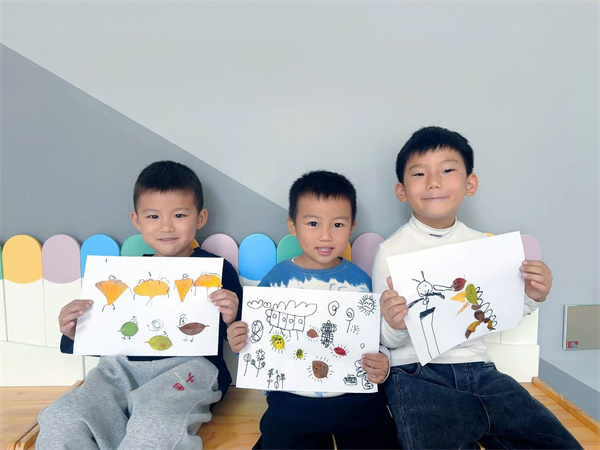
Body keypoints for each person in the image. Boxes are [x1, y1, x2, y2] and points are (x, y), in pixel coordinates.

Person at [373, 126, 582, 449]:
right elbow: (386, 340)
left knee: (558, 443)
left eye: (447, 170)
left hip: (481, 371)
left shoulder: (483, 246)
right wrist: (394, 322)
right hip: (417, 375)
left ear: (470, 183)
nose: (433, 182)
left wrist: (532, 296)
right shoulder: (390, 252)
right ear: (401, 190)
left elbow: (499, 312)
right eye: (419, 173)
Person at [37, 160, 243, 450]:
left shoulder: (217, 270)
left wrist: (232, 318)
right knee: (62, 418)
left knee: (154, 423)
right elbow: (113, 336)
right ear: (137, 220)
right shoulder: (122, 275)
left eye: (179, 215)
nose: (167, 226)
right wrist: (74, 331)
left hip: (188, 369)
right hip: (120, 368)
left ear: (200, 218)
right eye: (153, 216)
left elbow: (238, 339)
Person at [228, 170, 400, 450]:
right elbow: (255, 343)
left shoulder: (361, 282)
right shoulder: (276, 280)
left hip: (354, 393)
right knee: (279, 434)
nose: (325, 236)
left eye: (338, 224)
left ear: (352, 227)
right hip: (291, 394)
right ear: (292, 226)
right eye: (312, 223)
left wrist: (383, 360)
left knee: (380, 434)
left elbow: (376, 339)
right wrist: (239, 343)